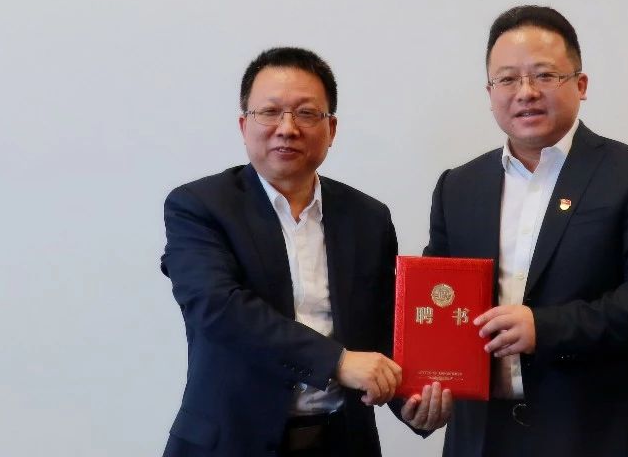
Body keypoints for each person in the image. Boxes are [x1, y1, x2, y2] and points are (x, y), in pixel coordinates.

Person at [424, 6, 628, 456]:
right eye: (507, 79)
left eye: (545, 75)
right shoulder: (459, 186)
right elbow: (437, 299)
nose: (525, 92)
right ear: (490, 93)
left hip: (596, 433)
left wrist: (544, 328)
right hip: (482, 436)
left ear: (580, 85)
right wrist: (420, 389)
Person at [160, 47, 448, 457]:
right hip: (231, 442)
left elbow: (385, 326)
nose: (287, 128)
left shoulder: (368, 217)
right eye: (270, 112)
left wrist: (413, 400)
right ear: (244, 125)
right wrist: (336, 362)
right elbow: (218, 307)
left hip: (341, 442)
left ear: (331, 129)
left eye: (306, 113)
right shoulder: (199, 206)